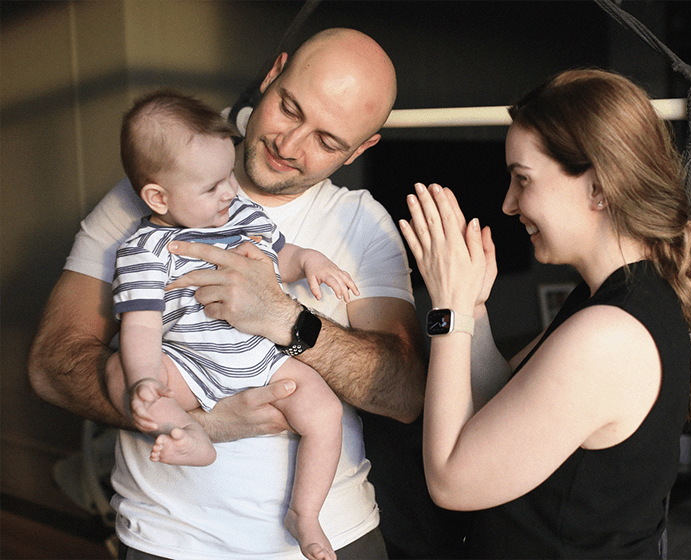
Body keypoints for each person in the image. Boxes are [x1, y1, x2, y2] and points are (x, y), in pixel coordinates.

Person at [28, 28, 432, 559]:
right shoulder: (148, 200)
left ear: (361, 149)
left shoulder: (361, 223)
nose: (290, 145)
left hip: (335, 535)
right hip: (167, 540)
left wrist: (288, 320)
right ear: (272, 74)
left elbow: (405, 395)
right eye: (289, 108)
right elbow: (54, 363)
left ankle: (303, 510)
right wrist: (208, 424)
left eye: (327, 141)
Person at [399, 68, 691, 558]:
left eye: (522, 180)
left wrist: (447, 311)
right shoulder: (612, 297)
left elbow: (451, 480)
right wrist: (473, 306)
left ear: (598, 187)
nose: (509, 204)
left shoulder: (610, 334)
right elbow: (502, 406)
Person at [108, 90, 364, 560]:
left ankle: (305, 512)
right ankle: (191, 434)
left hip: (265, 359)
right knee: (124, 376)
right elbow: (140, 328)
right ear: (158, 196)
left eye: (229, 175)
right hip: (194, 364)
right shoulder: (145, 250)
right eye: (211, 187)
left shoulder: (242, 214)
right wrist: (148, 381)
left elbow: (279, 255)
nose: (229, 191)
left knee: (324, 413)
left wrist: (310, 260)